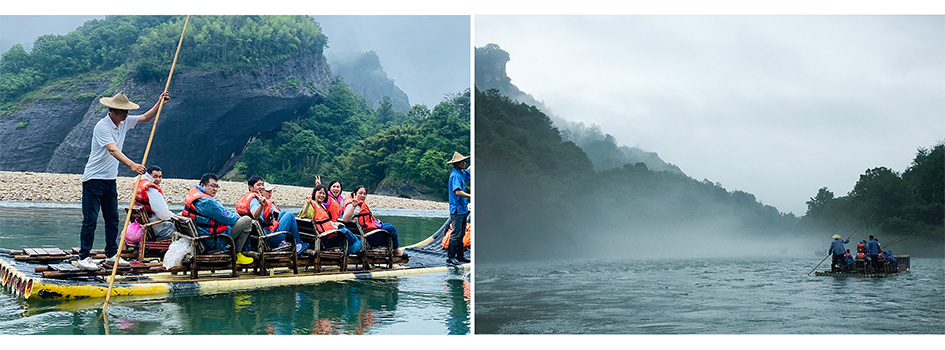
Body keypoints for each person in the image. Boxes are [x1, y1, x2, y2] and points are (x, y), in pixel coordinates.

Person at [76, 92, 170, 271]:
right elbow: (112, 149)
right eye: (123, 111)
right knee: (91, 219)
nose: (127, 114)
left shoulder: (123, 122)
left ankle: (111, 255)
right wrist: (132, 165)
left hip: (109, 180)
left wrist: (159, 103)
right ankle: (84, 256)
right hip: (93, 179)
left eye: (127, 111)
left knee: (113, 219)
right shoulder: (102, 126)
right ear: (113, 111)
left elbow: (145, 118)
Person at [180, 173, 255, 265]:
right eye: (212, 186)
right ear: (202, 185)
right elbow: (229, 219)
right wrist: (236, 216)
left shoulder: (195, 195)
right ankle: (237, 254)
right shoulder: (207, 202)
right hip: (212, 240)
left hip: (199, 236)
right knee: (246, 220)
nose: (215, 189)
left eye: (217, 186)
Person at [236, 176, 307, 254]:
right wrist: (262, 206)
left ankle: (289, 242)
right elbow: (255, 215)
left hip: (261, 235)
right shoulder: (254, 200)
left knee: (283, 213)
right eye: (258, 185)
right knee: (290, 215)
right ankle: (297, 244)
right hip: (270, 239)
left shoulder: (248, 198)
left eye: (262, 184)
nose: (261, 187)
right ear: (250, 187)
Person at [342, 185, 406, 258]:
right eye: (360, 193)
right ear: (354, 194)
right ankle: (396, 250)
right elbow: (345, 219)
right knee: (391, 228)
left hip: (369, 233)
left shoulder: (361, 205)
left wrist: (375, 221)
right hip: (366, 239)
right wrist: (353, 206)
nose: (362, 195)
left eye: (364, 194)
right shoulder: (351, 206)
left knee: (387, 225)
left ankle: (395, 248)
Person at [300, 184, 361, 254]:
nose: (322, 195)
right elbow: (304, 216)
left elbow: (323, 221)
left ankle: (356, 247)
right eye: (320, 193)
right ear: (314, 193)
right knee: (345, 232)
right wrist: (307, 204)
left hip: (326, 235)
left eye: (324, 193)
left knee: (344, 229)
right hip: (325, 238)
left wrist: (334, 223)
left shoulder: (322, 206)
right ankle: (358, 247)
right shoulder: (311, 206)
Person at [133, 165, 175, 240]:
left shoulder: (138, 183)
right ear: (148, 175)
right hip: (155, 228)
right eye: (155, 176)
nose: (158, 179)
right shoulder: (151, 190)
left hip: (142, 225)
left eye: (160, 177)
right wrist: (178, 218)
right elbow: (164, 214)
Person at [446, 151, 471, 265]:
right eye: (462, 161)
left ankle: (460, 256)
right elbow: (457, 191)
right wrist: (471, 196)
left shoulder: (460, 173)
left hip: (462, 208)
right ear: (457, 163)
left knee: (461, 234)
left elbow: (468, 172)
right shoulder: (455, 175)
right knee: (456, 233)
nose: (464, 163)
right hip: (457, 209)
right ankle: (450, 257)